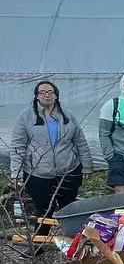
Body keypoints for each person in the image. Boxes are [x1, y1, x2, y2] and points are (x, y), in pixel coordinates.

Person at [10, 81, 93, 233]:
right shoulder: (26, 116)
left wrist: (87, 165)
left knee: (69, 207)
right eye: (42, 92)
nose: (46, 95)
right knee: (44, 208)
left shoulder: (67, 115)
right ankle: (39, 242)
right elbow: (18, 146)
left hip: (69, 170)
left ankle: (71, 240)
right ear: (36, 96)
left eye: (50, 92)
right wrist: (17, 172)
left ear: (56, 96)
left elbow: (80, 141)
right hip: (38, 172)